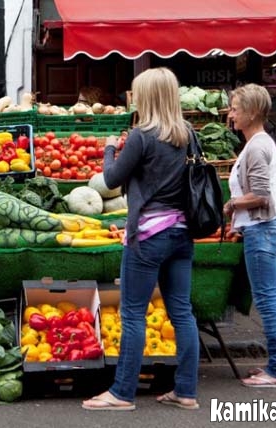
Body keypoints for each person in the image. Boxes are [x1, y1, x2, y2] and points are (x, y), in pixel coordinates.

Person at [82, 67, 199, 411]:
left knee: (133, 314)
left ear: (145, 97)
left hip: (148, 236)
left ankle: (121, 393)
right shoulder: (189, 134)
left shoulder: (141, 136)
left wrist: (108, 149)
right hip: (182, 234)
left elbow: (113, 179)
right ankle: (186, 391)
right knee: (182, 312)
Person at [224, 83, 276, 388]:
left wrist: (232, 204)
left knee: (267, 300)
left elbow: (261, 195)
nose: (231, 114)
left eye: (235, 109)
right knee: (272, 298)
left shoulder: (256, 146)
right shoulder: (260, 143)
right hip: (264, 229)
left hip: (262, 231)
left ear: (251, 112)